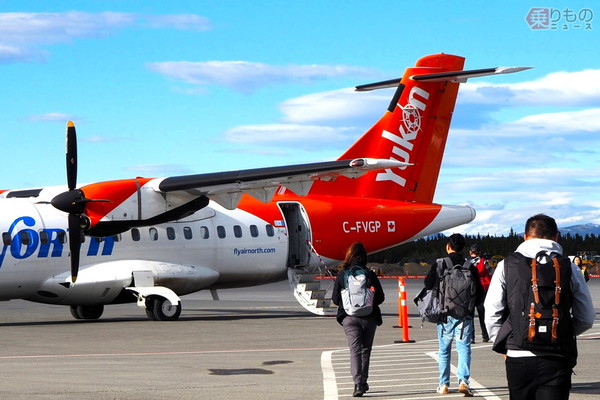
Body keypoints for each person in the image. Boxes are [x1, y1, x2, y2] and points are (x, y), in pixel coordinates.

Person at [485, 214, 595, 400]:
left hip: (518, 354)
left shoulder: (507, 265)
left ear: (526, 236)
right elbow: (586, 317)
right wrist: (563, 332)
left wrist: (504, 345)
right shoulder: (570, 267)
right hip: (557, 355)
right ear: (556, 236)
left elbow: (492, 310)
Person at [424, 233, 484, 397]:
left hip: (445, 313)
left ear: (448, 246)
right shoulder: (469, 266)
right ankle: (463, 381)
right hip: (465, 314)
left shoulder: (440, 263)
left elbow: (428, 284)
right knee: (464, 348)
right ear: (463, 248)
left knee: (444, 350)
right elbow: (479, 293)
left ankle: (443, 384)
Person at [332, 242, 385, 397]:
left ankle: (357, 384)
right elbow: (380, 297)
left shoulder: (343, 274)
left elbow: (335, 300)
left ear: (349, 255)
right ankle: (363, 381)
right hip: (369, 318)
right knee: (365, 350)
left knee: (354, 350)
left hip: (349, 318)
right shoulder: (370, 274)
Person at [469, 243, 491, 343]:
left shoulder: (467, 262)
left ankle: (471, 336)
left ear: (470, 252)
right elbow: (489, 274)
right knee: (482, 313)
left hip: (471, 288)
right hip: (482, 288)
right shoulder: (484, 262)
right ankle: (485, 335)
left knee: (470, 314)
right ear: (479, 252)